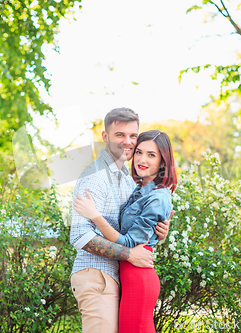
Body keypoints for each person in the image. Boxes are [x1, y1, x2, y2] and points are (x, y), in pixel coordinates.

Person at [69, 108, 173, 333]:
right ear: (105, 137)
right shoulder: (94, 176)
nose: (128, 142)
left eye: (133, 136)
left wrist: (157, 233)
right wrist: (128, 254)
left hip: (119, 277)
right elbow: (79, 235)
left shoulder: (129, 180)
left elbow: (135, 230)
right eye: (120, 135)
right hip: (96, 275)